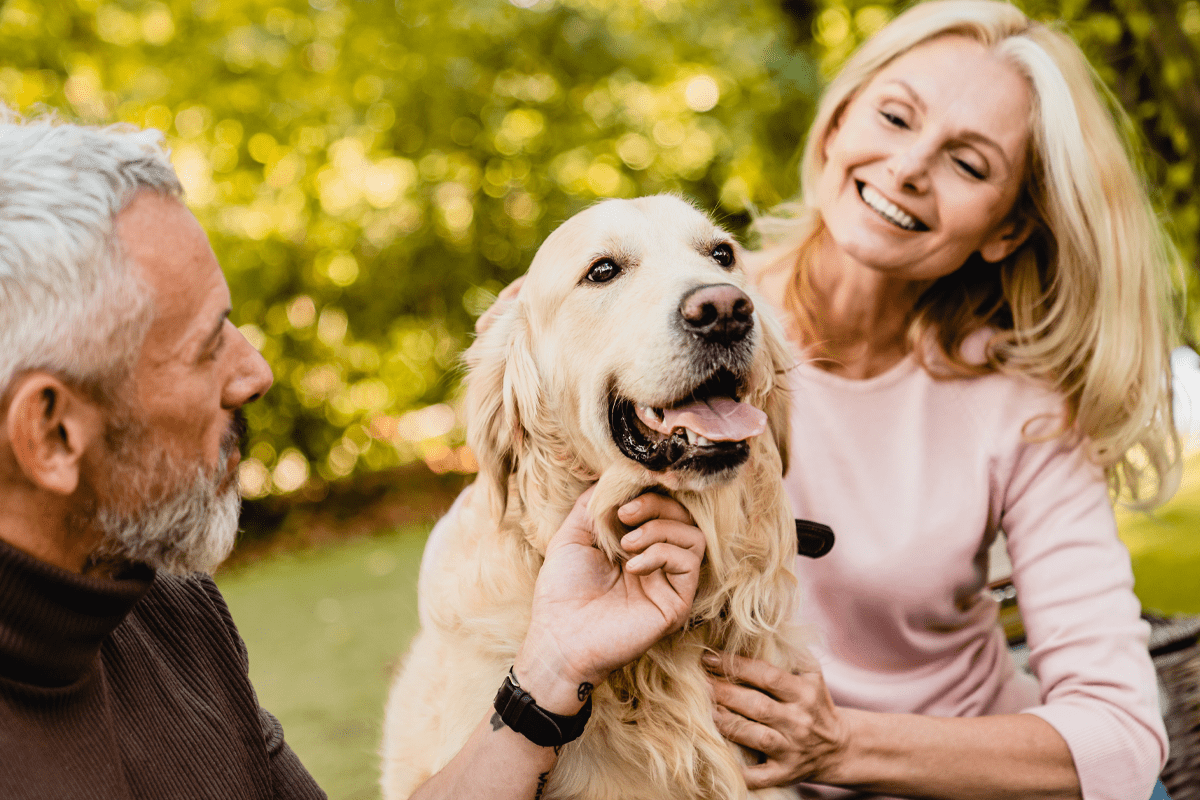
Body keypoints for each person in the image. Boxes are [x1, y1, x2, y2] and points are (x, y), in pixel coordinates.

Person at [418, 2, 1178, 799]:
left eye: (970, 164)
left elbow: (1123, 740)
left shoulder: (1023, 407)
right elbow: (497, 542)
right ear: (837, 125)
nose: (910, 166)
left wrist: (843, 744)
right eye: (894, 116)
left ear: (1006, 230)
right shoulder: (675, 308)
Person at [0, 111, 325, 799]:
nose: (255, 373)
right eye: (208, 346)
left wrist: (544, 675)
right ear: (52, 433)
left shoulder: (163, 607)